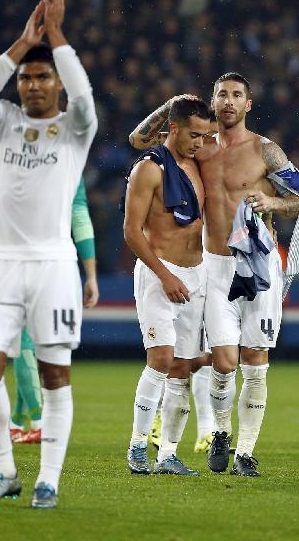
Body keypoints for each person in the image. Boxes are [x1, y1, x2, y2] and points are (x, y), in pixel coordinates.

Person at [130, 75, 299, 477]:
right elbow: (140, 141)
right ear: (212, 102)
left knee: (256, 359)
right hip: (214, 265)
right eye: (222, 95)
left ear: (249, 104)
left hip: (259, 264)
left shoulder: (267, 152)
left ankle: (245, 452)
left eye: (236, 95)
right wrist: (172, 103)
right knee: (224, 361)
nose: (228, 102)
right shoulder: (200, 148)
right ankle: (220, 432)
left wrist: (272, 201)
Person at [0, 0, 97, 508]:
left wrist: (57, 38)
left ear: (57, 83)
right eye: (26, 77)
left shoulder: (72, 131)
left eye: (43, 76)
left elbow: (86, 101)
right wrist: (22, 44)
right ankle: (4, 472)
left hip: (53, 268)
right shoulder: (5, 124)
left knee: (53, 373)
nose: (33, 84)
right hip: (0, 267)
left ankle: (48, 479)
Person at [0, 150, 100, 444]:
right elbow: (79, 213)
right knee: (35, 351)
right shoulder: (66, 156)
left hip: (11, 265)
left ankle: (37, 419)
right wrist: (91, 273)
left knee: (23, 347)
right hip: (55, 268)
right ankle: (21, 420)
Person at [123, 96, 216, 476]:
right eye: (194, 134)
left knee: (182, 367)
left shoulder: (197, 163)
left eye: (205, 135)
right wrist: (165, 275)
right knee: (160, 359)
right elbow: (131, 231)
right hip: (160, 273)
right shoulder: (148, 169)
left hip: (197, 275)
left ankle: (168, 455)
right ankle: (137, 448)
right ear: (173, 129)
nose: (200, 142)